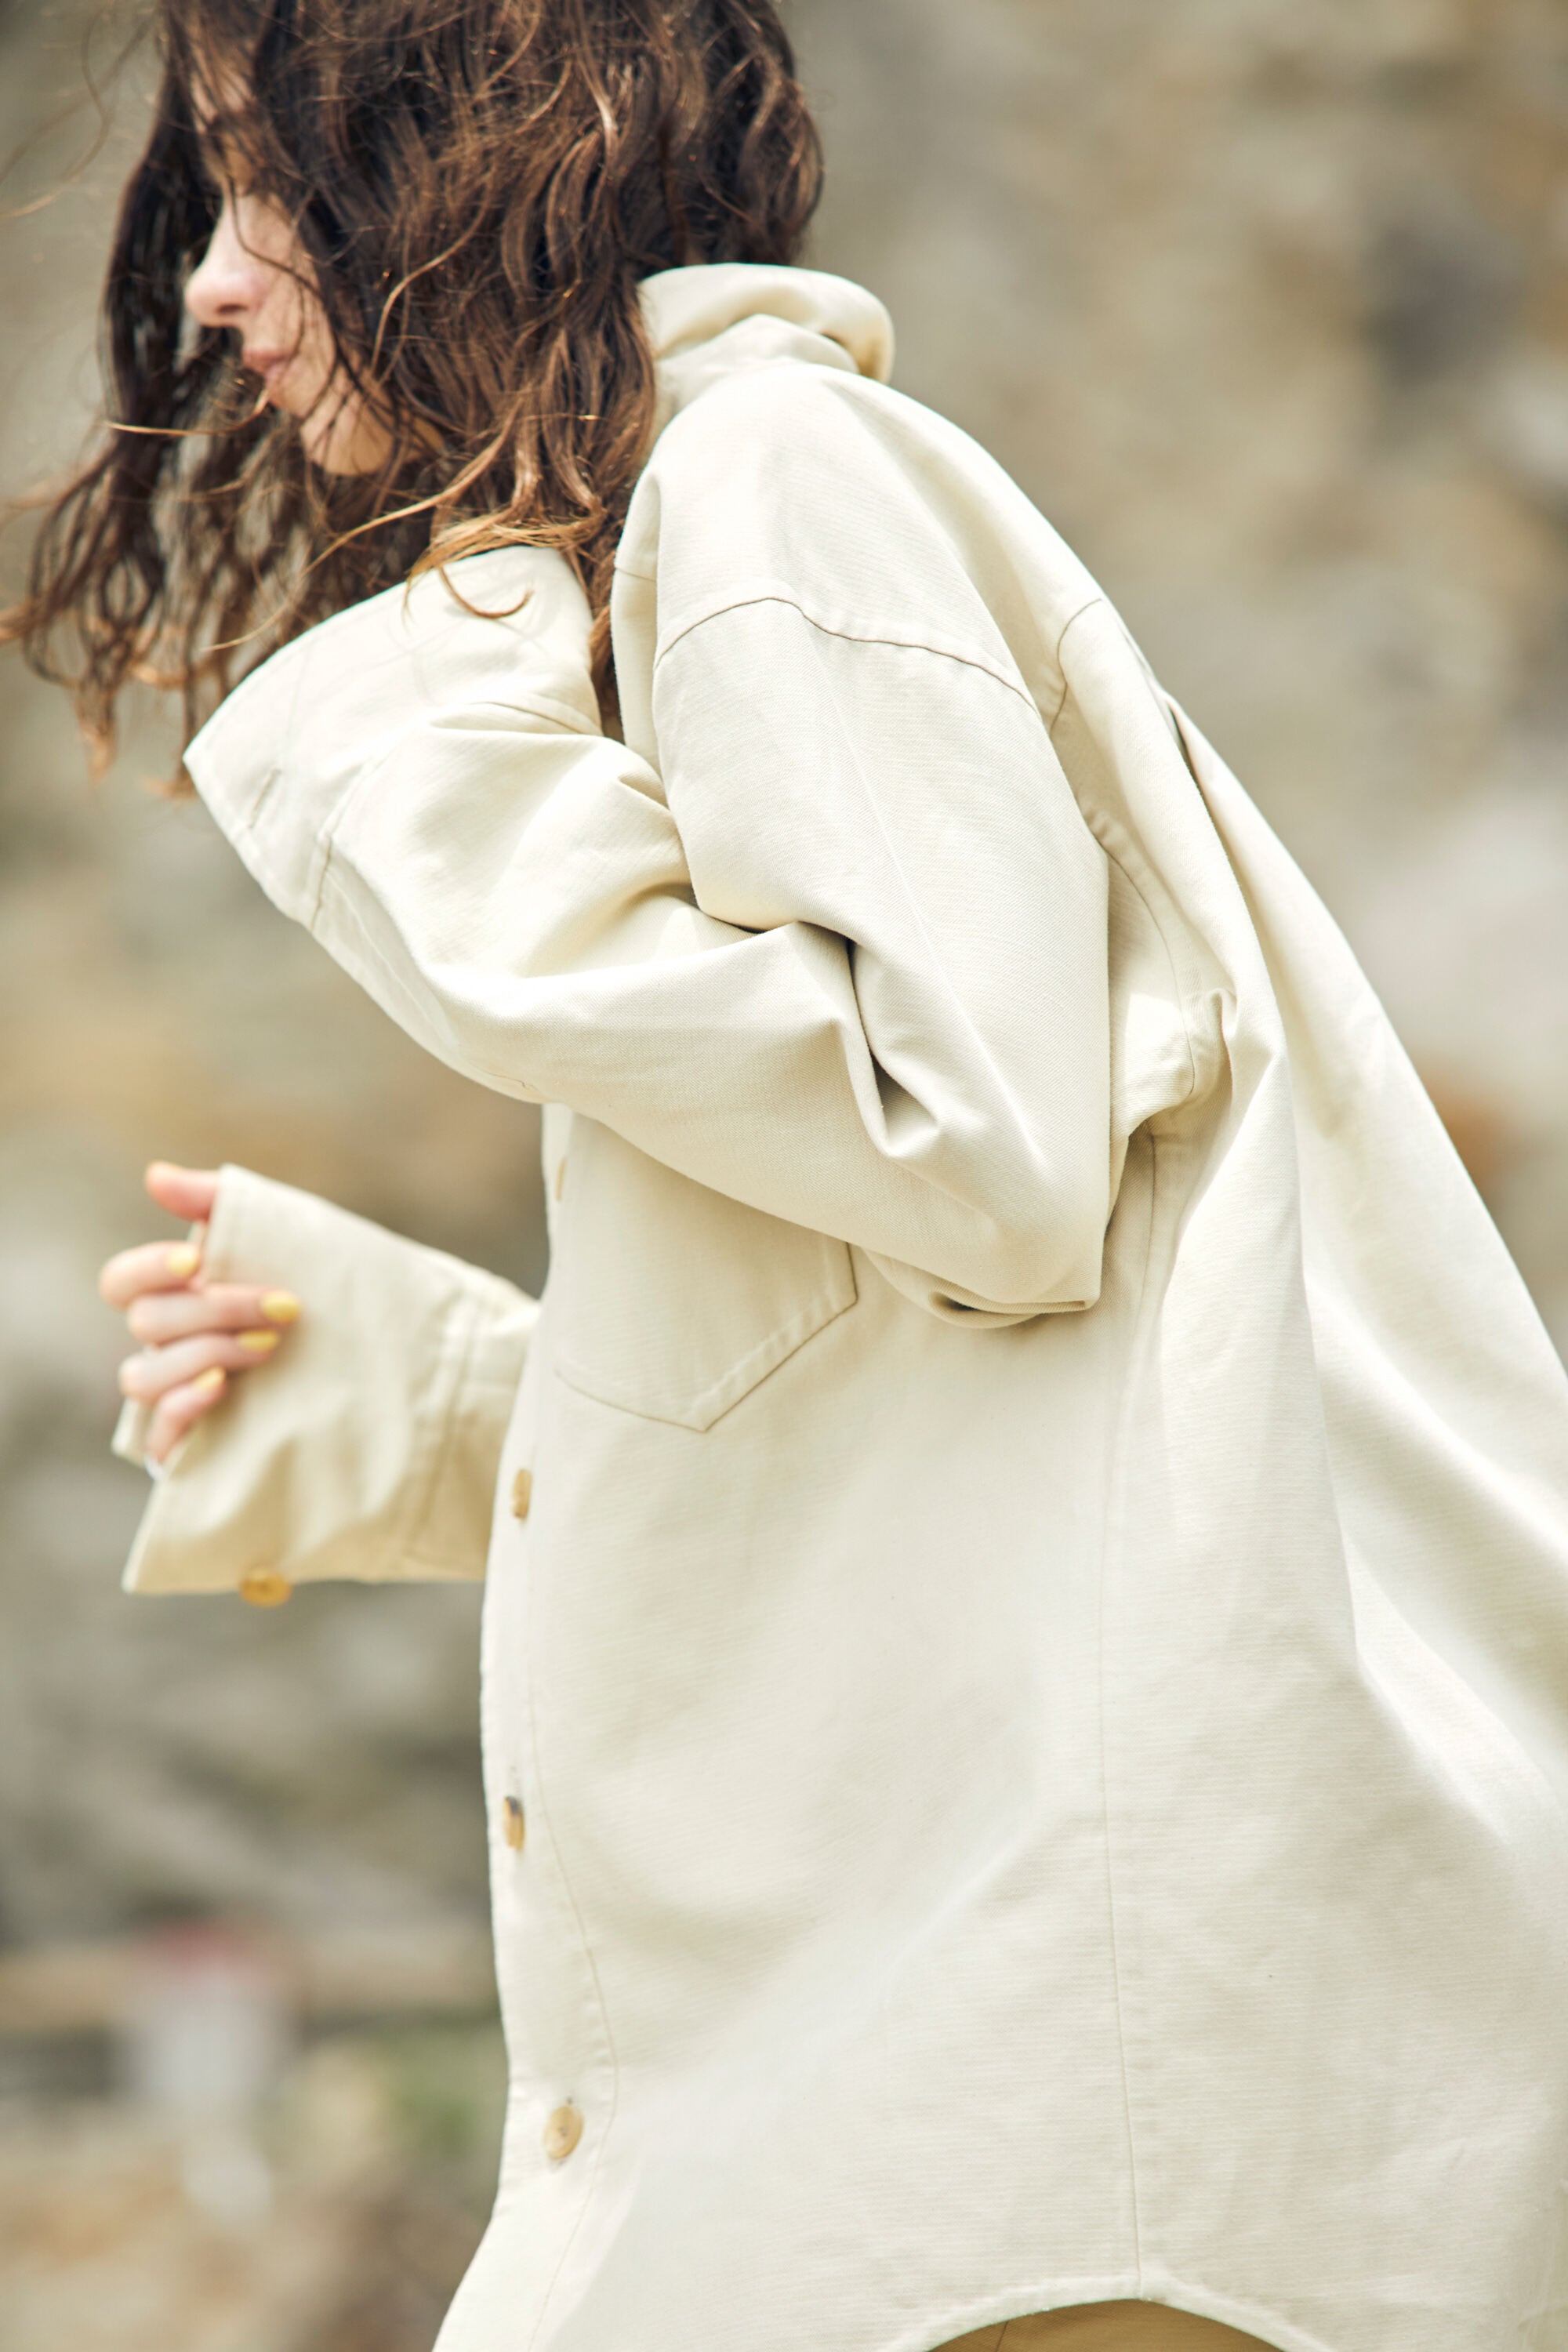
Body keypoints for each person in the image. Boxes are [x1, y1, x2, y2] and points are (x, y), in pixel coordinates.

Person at [9, 3, 1568, 2348]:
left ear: (446, 166)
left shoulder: (773, 474)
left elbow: (987, 1154)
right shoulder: (735, 501)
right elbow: (969, 1303)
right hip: (1014, 2111)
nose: (216, 285)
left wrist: (427, 768)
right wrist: (447, 1398)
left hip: (1054, 2125)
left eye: (259, 182)